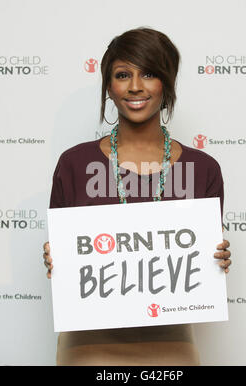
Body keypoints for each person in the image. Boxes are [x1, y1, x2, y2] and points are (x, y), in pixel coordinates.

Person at [43, 27, 232, 366]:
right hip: (88, 345)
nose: (134, 86)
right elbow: (63, 257)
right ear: (108, 86)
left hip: (170, 343)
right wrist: (55, 258)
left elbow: (202, 261)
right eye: (122, 74)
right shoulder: (75, 163)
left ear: (167, 81)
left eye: (148, 73)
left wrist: (216, 260)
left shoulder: (203, 168)